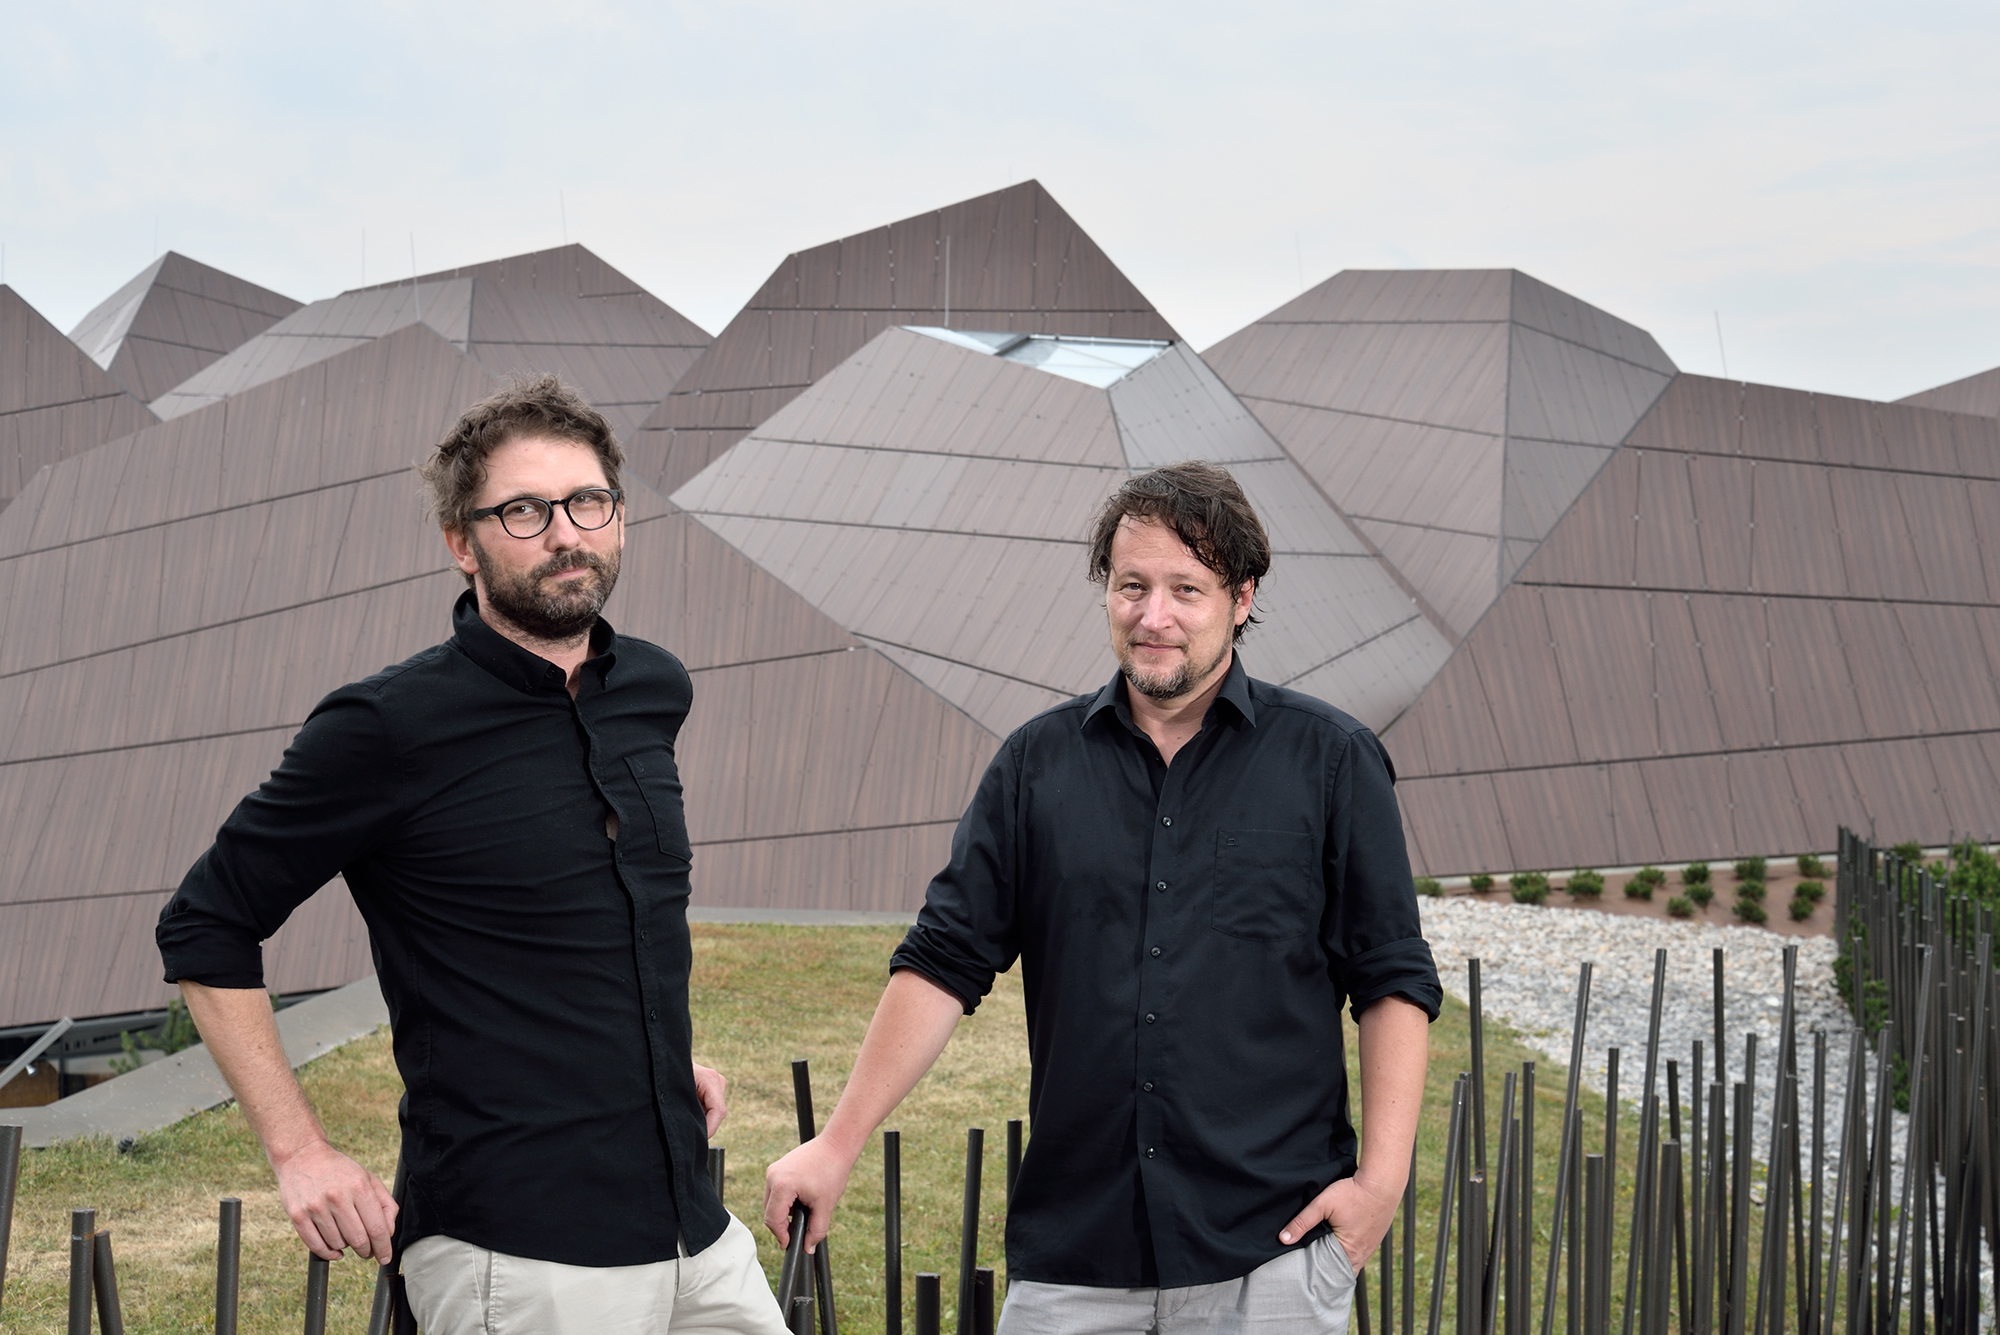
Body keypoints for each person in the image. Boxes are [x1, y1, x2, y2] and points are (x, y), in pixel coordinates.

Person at [157, 376, 787, 1334]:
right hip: (520, 1253)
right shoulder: (385, 726)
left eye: (588, 501)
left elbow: (601, 910)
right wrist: (300, 1150)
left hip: (693, 1231)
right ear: (463, 542)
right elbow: (207, 923)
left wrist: (649, 1050)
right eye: (524, 511)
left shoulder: (653, 689)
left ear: (619, 515)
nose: (566, 534)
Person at [765, 461, 1441, 1333]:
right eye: (1132, 586)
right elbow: (941, 962)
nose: (1153, 616)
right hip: (1074, 1259)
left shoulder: (1333, 760)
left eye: (1186, 589)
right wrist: (836, 1143)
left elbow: (1391, 979)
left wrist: (1380, 1185)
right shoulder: (1034, 766)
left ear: (1241, 597)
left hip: (1269, 1256)